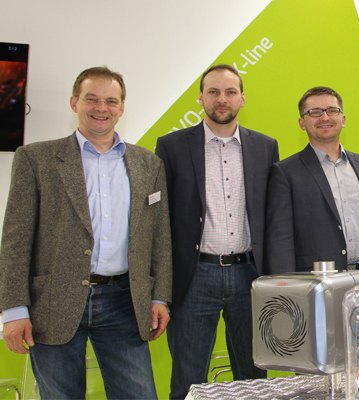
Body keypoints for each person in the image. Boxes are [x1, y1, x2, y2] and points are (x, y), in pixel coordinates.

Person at [0, 66, 172, 399]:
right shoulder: (36, 159)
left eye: (111, 101)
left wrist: (159, 297)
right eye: (91, 99)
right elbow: (15, 242)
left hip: (124, 301)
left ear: (122, 108)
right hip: (54, 301)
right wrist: (14, 309)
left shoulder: (148, 164)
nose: (101, 108)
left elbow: (159, 238)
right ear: (74, 102)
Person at [155, 64, 279, 399]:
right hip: (194, 278)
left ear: (242, 99)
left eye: (229, 92)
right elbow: (160, 222)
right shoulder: (171, 146)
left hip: (249, 276)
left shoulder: (265, 147)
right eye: (213, 92)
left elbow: (272, 216)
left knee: (254, 379)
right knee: (188, 380)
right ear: (200, 98)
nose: (221, 99)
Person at [266, 86, 359, 275]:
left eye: (332, 110)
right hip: (316, 281)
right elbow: (280, 238)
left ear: (343, 119)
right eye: (315, 112)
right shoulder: (285, 173)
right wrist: (287, 284)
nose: (325, 118)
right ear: (302, 123)